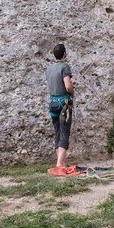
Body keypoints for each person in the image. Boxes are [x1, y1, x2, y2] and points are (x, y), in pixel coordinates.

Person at [46, 43, 76, 174]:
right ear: (64, 54)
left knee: (57, 132)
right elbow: (68, 86)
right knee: (64, 132)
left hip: (52, 103)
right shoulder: (65, 67)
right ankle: (59, 165)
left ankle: (61, 163)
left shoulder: (49, 69)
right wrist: (72, 90)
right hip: (64, 103)